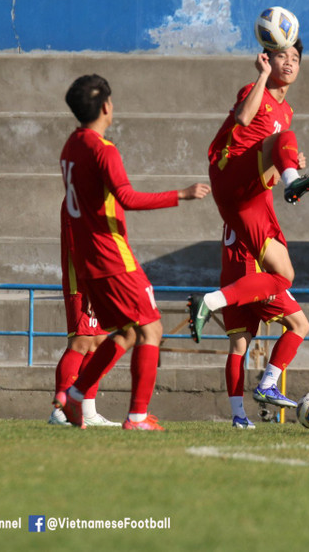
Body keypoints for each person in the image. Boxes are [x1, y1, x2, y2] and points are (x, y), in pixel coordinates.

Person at [58, 74, 209, 431]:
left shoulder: (71, 145)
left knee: (126, 332)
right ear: (106, 106)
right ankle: (137, 416)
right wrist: (182, 194)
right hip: (112, 255)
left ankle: (77, 394)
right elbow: (127, 197)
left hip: (88, 258)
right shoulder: (102, 149)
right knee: (152, 329)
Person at [189, 38, 309, 410]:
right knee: (282, 141)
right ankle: (292, 182)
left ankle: (261, 387)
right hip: (229, 172)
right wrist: (261, 77)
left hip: (252, 197)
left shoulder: (288, 111)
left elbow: (272, 141)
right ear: (268, 58)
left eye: (295, 58)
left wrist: (289, 159)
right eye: (282, 56)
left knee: (285, 274)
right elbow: (242, 119)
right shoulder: (256, 90)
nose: (289, 63)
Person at [217, 223, 309, 428]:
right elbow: (261, 242)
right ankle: (268, 384)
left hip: (231, 280)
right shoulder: (253, 205)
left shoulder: (230, 209)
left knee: (238, 348)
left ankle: (238, 416)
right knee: (300, 325)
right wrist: (271, 279)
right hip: (254, 277)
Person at [47, 206, 116, 427]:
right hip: (83, 280)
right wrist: (89, 287)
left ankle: (87, 410)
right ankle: (60, 411)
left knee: (98, 343)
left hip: (100, 276)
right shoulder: (78, 197)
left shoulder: (97, 196)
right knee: (81, 341)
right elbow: (80, 244)